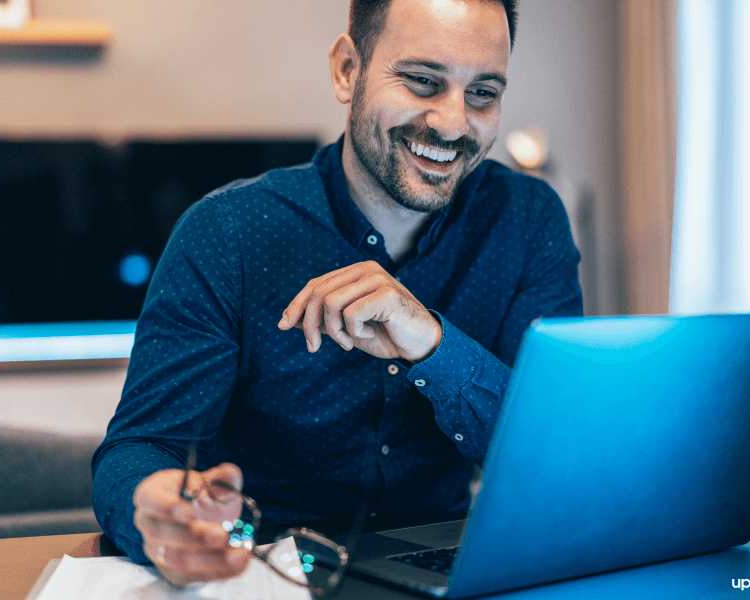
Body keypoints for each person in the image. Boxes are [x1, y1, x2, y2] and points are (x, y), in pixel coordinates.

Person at [92, 0, 582, 588]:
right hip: (261, 561)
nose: (453, 124)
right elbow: (141, 448)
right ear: (348, 70)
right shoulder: (228, 233)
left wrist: (434, 345)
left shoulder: (528, 220)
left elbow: (556, 457)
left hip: (451, 561)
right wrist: (161, 509)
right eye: (423, 81)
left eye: (482, 93)